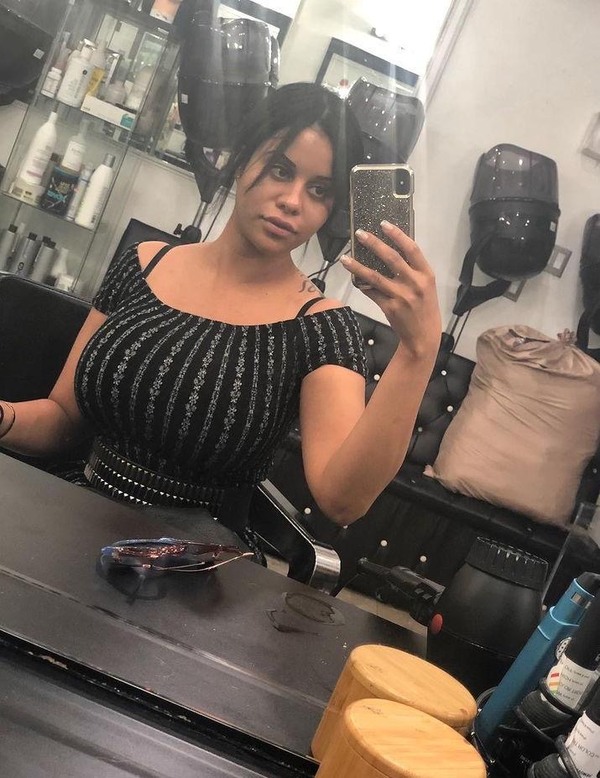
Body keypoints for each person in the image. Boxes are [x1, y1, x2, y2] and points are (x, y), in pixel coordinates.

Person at [0, 82, 441, 546]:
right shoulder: (144, 263)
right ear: (242, 157)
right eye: (280, 169)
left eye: (319, 190)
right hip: (74, 518)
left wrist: (418, 352)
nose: (293, 201)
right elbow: (62, 416)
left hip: (193, 563)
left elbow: (342, 501)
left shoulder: (321, 327)